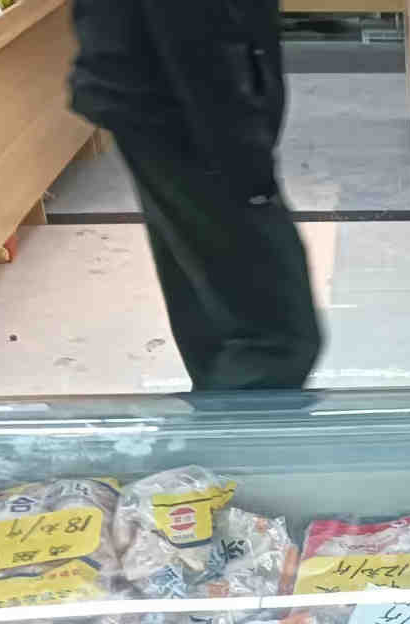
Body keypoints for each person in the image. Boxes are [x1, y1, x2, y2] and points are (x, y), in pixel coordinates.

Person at [70, 0, 321, 391]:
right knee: (275, 338)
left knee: (213, 311)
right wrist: (243, 153)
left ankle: (222, 402)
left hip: (154, 90)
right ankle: (241, 421)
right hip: (186, 105)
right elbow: (195, 36)